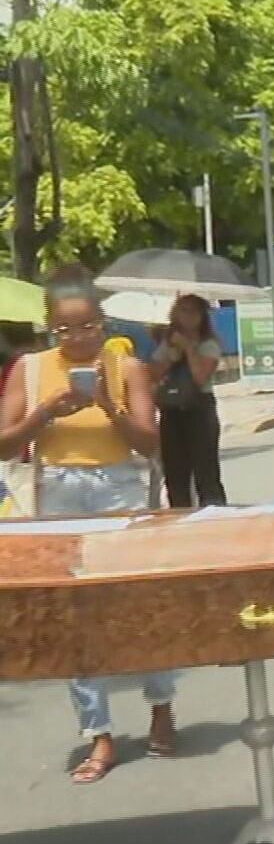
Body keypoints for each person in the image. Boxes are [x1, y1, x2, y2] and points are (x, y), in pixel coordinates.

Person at [0, 266, 171, 782]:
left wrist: (108, 407)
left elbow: (149, 442)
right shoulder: (30, 371)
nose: (78, 338)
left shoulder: (127, 367)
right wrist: (45, 413)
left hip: (119, 486)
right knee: (75, 615)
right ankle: (97, 732)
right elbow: (5, 444)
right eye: (66, 330)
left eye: (89, 327)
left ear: (102, 322)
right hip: (57, 489)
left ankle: (161, 705)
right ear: (50, 329)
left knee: (138, 602)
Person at [152, 294, 227, 508]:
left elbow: (201, 376)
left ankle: (215, 516)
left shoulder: (209, 344)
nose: (188, 316)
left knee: (206, 472)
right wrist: (170, 356)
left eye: (193, 311)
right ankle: (180, 515)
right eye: (183, 310)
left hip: (199, 409)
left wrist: (189, 348)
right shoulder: (167, 343)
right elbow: (152, 373)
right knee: (175, 473)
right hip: (172, 410)